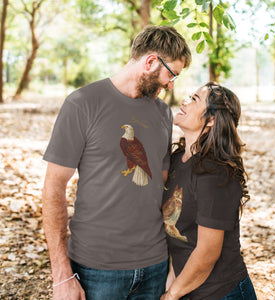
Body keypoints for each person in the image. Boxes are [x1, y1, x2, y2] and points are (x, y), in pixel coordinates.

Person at [42, 25, 191, 300]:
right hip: (96, 268)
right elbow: (53, 187)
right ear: (150, 62)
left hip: (155, 265)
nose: (171, 84)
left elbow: (162, 187)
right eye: (172, 74)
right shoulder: (82, 103)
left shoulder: (162, 114)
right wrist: (62, 274)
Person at [161, 82, 257, 300]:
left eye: (195, 99)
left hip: (223, 293)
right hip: (189, 288)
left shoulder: (214, 173)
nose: (185, 101)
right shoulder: (177, 160)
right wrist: (172, 284)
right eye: (189, 95)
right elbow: (180, 233)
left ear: (212, 119)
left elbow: (207, 253)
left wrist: (171, 295)